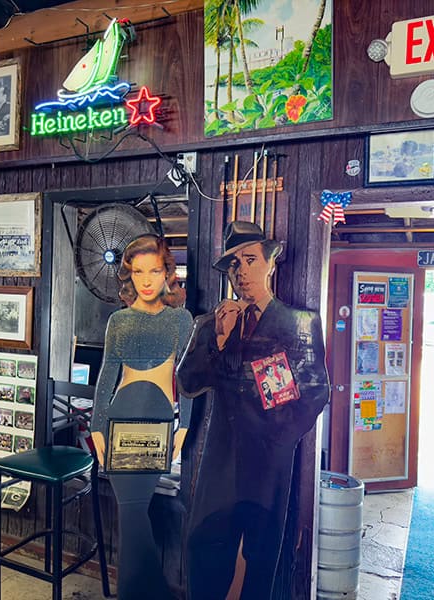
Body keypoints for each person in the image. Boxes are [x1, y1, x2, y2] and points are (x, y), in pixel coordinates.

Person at [176, 221, 330, 600]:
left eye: (249, 260)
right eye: (233, 264)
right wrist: (218, 339)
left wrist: (275, 438)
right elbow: (187, 383)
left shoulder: (300, 323)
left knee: (262, 550)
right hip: (219, 456)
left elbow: (315, 393)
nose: (241, 270)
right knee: (205, 542)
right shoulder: (210, 323)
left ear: (270, 264)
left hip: (270, 458)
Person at [91, 234, 193, 600]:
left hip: (160, 426)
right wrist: (96, 425)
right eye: (138, 271)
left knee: (133, 519)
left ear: (167, 273)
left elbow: (189, 381)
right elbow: (106, 376)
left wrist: (185, 426)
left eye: (154, 270)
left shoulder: (182, 321)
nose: (146, 279)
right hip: (119, 423)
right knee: (132, 516)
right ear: (129, 275)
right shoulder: (118, 321)